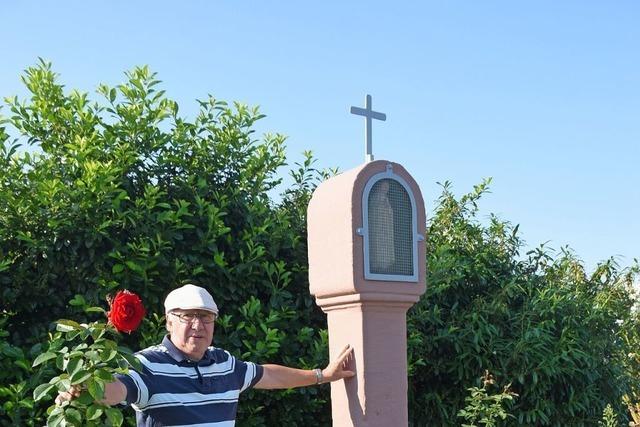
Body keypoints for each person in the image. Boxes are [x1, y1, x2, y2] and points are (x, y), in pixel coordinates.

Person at [56, 284, 355, 426]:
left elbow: (269, 374)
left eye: (206, 317)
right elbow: (118, 389)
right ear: (169, 321)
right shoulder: (147, 364)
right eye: (188, 317)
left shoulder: (224, 363)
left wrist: (322, 375)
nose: (198, 325)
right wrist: (86, 393)